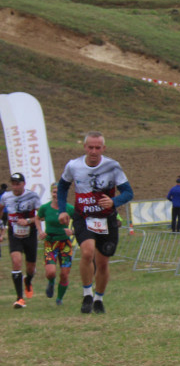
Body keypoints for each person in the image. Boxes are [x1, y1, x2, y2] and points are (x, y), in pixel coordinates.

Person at [56, 131, 134, 315]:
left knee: (103, 262)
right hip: (83, 217)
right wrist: (61, 210)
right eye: (90, 147)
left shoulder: (113, 166)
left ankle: (99, 298)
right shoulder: (73, 166)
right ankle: (87, 294)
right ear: (84, 147)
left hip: (106, 219)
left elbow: (128, 193)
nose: (93, 151)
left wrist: (114, 201)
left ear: (103, 148)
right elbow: (62, 187)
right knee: (87, 252)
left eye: (97, 147)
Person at [2, 173, 41, 309]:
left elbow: (40, 215)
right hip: (14, 234)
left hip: (30, 234)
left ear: (24, 184)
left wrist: (28, 221)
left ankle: (28, 280)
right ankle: (20, 298)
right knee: (16, 262)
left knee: (30, 268)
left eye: (18, 183)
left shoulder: (32, 196)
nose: (15, 186)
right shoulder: (6, 197)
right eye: (13, 183)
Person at [37, 183, 76, 306]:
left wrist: (73, 231)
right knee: (51, 272)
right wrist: (40, 231)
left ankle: (59, 298)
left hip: (65, 243)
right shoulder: (45, 208)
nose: (56, 195)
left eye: (59, 192)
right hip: (50, 242)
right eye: (54, 192)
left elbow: (81, 221)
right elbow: (37, 218)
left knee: (64, 274)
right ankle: (51, 282)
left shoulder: (69, 208)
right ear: (51, 193)